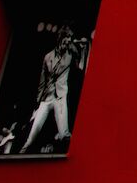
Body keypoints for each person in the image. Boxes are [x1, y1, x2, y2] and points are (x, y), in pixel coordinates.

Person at [20, 24, 89, 152]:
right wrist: (38, 101)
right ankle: (22, 152)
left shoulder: (71, 52)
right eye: (66, 37)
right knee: (31, 137)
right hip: (46, 99)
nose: (68, 40)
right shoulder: (48, 57)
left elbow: (80, 66)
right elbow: (42, 81)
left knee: (64, 134)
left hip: (60, 97)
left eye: (70, 37)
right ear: (60, 37)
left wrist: (83, 49)